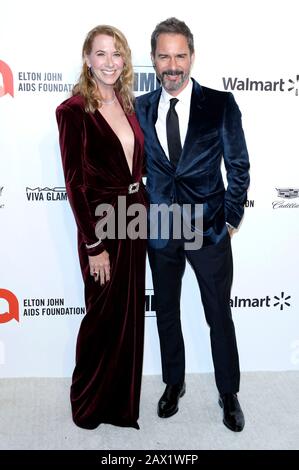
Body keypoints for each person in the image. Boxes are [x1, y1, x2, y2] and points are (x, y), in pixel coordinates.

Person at [136, 17, 250, 432]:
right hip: (162, 226)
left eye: (179, 55)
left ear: (192, 57)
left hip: (208, 227)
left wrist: (232, 217)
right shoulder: (140, 108)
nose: (172, 64)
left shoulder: (220, 104)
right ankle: (173, 383)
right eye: (164, 56)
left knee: (218, 313)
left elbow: (238, 165)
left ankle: (229, 392)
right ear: (152, 59)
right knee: (166, 310)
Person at [56, 25, 147, 429]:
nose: (110, 62)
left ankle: (120, 402)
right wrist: (94, 245)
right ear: (87, 60)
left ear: (124, 60)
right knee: (101, 313)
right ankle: (89, 401)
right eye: (101, 54)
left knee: (127, 314)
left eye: (117, 54)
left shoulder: (128, 103)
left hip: (135, 216)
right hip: (102, 225)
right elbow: (74, 183)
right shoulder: (73, 111)